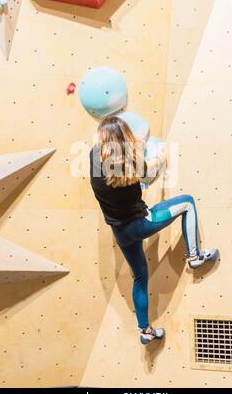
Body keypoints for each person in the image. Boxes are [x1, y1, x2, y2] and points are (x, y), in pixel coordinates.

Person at [90, 116, 219, 345]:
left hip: (121, 233)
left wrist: (131, 143)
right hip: (141, 224)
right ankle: (194, 256)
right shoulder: (135, 165)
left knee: (140, 277)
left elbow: (116, 151)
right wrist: (160, 155)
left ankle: (145, 330)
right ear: (125, 140)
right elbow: (151, 165)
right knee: (187, 202)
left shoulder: (93, 159)